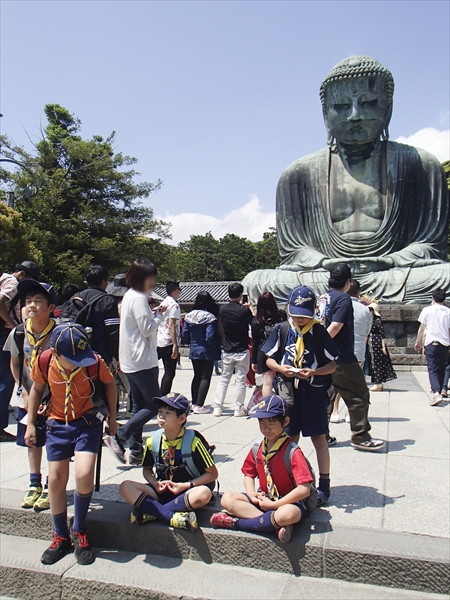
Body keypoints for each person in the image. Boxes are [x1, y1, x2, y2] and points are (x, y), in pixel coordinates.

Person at [243, 55, 449, 305]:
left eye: (369, 103)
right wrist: (323, 263)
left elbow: (430, 244)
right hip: (324, 275)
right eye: (340, 106)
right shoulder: (298, 174)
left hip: (393, 274)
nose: (354, 115)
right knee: (255, 282)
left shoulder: (421, 165)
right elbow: (294, 251)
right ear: (325, 113)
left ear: (388, 107)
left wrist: (392, 260)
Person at [25, 323, 117, 565]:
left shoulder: (94, 361)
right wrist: (32, 423)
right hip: (57, 423)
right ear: (56, 353)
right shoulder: (45, 361)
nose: (80, 363)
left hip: (87, 422)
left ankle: (79, 529)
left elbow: (110, 384)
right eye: (73, 359)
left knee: (85, 473)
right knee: (55, 479)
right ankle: (60, 535)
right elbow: (36, 389)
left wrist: (113, 418)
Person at [263, 286, 337, 505]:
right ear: (288, 309)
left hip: (313, 391)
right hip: (288, 390)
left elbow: (332, 364)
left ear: (314, 311)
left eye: (305, 315)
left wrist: (314, 371)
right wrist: (281, 368)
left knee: (319, 438)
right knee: (288, 436)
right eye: (296, 314)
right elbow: (268, 358)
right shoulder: (282, 329)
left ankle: (324, 485)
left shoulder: (319, 331)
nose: (300, 319)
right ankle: (286, 480)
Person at [210, 395, 312, 544]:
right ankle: (273, 524)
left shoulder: (292, 451)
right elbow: (248, 474)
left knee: (288, 514)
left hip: (287, 502)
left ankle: (235, 523)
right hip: (264, 498)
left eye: (271, 422)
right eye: (262, 422)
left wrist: (274, 505)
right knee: (227, 499)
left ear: (286, 421)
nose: (266, 428)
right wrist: (251, 493)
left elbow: (304, 489)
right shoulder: (258, 447)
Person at [119, 392, 218, 531]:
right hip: (162, 490)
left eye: (168, 412)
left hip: (187, 491)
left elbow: (212, 474)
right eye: (160, 411)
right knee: (125, 487)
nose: (161, 416)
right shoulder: (152, 440)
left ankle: (153, 512)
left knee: (204, 494)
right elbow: (147, 469)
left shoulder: (194, 441)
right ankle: (172, 517)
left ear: (182, 418)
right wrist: (155, 483)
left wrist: (185, 485)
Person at [317, 263, 385, 452]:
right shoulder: (344, 299)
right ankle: (360, 436)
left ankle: (323, 435)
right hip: (341, 357)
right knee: (359, 395)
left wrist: (317, 349)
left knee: (328, 396)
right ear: (348, 282)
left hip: (324, 358)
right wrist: (322, 344)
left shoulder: (323, 298)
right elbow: (336, 326)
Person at [105, 259, 164, 465]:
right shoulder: (139, 298)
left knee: (139, 405)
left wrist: (153, 313)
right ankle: (120, 435)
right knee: (154, 405)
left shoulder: (129, 296)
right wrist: (159, 318)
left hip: (130, 358)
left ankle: (136, 450)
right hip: (143, 360)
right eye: (151, 279)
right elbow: (147, 329)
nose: (153, 283)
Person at [5, 280, 57, 510]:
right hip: (28, 395)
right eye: (28, 302)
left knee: (55, 442)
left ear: (51, 307)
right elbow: (15, 364)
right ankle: (34, 482)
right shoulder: (18, 333)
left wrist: (52, 398)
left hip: (55, 398)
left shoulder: (59, 333)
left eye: (38, 301)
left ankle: (50, 484)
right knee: (32, 440)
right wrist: (23, 390)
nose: (32, 306)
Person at [0, 260, 40, 443]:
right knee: (4, 381)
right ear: (23, 274)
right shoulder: (12, 282)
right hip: (2, 333)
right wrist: (11, 324)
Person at [60, 265, 120, 366]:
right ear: (103, 281)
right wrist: (115, 356)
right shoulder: (108, 301)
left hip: (75, 353)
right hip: (99, 356)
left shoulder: (75, 297)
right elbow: (113, 332)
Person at [330, 279, 371, 422]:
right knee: (356, 390)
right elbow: (367, 332)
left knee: (334, 388)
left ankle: (334, 413)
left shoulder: (330, 302)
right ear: (359, 292)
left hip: (335, 354)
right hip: (356, 352)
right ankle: (351, 416)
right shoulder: (365, 310)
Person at [213, 283, 253, 417]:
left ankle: (218, 407)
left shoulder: (223, 309)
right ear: (241, 295)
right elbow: (253, 323)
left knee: (224, 379)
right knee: (241, 380)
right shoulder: (243, 310)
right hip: (242, 348)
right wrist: (250, 308)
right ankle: (238, 408)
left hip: (227, 349)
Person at [182, 292, 221, 414]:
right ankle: (200, 405)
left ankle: (194, 403)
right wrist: (215, 346)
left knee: (196, 375)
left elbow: (185, 335)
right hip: (207, 350)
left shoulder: (189, 316)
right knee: (205, 377)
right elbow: (210, 336)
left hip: (194, 349)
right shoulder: (210, 317)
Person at [415, 289, 450, 406]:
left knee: (432, 368)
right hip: (445, 343)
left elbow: (422, 328)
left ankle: (436, 392)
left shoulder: (427, 310)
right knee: (441, 367)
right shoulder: (448, 311)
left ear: (432, 297)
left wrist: (418, 341)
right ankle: (439, 390)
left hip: (431, 342)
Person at [251, 292, 285, 397]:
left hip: (263, 351)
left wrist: (254, 361)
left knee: (267, 383)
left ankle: (268, 407)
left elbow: (255, 342)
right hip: (279, 350)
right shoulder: (282, 316)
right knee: (282, 380)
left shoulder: (256, 321)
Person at [157, 280, 182, 396]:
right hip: (169, 341)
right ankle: (163, 395)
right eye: (179, 290)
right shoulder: (174, 305)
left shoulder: (163, 303)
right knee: (170, 372)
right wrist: (175, 345)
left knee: (164, 370)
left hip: (159, 339)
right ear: (175, 290)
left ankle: (161, 393)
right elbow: (171, 325)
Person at [367, 302, 397, 392]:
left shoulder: (377, 320)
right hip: (371, 343)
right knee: (373, 363)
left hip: (377, 343)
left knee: (378, 363)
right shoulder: (370, 320)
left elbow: (382, 334)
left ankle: (378, 383)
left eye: (370, 310)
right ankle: (376, 382)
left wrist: (383, 346)